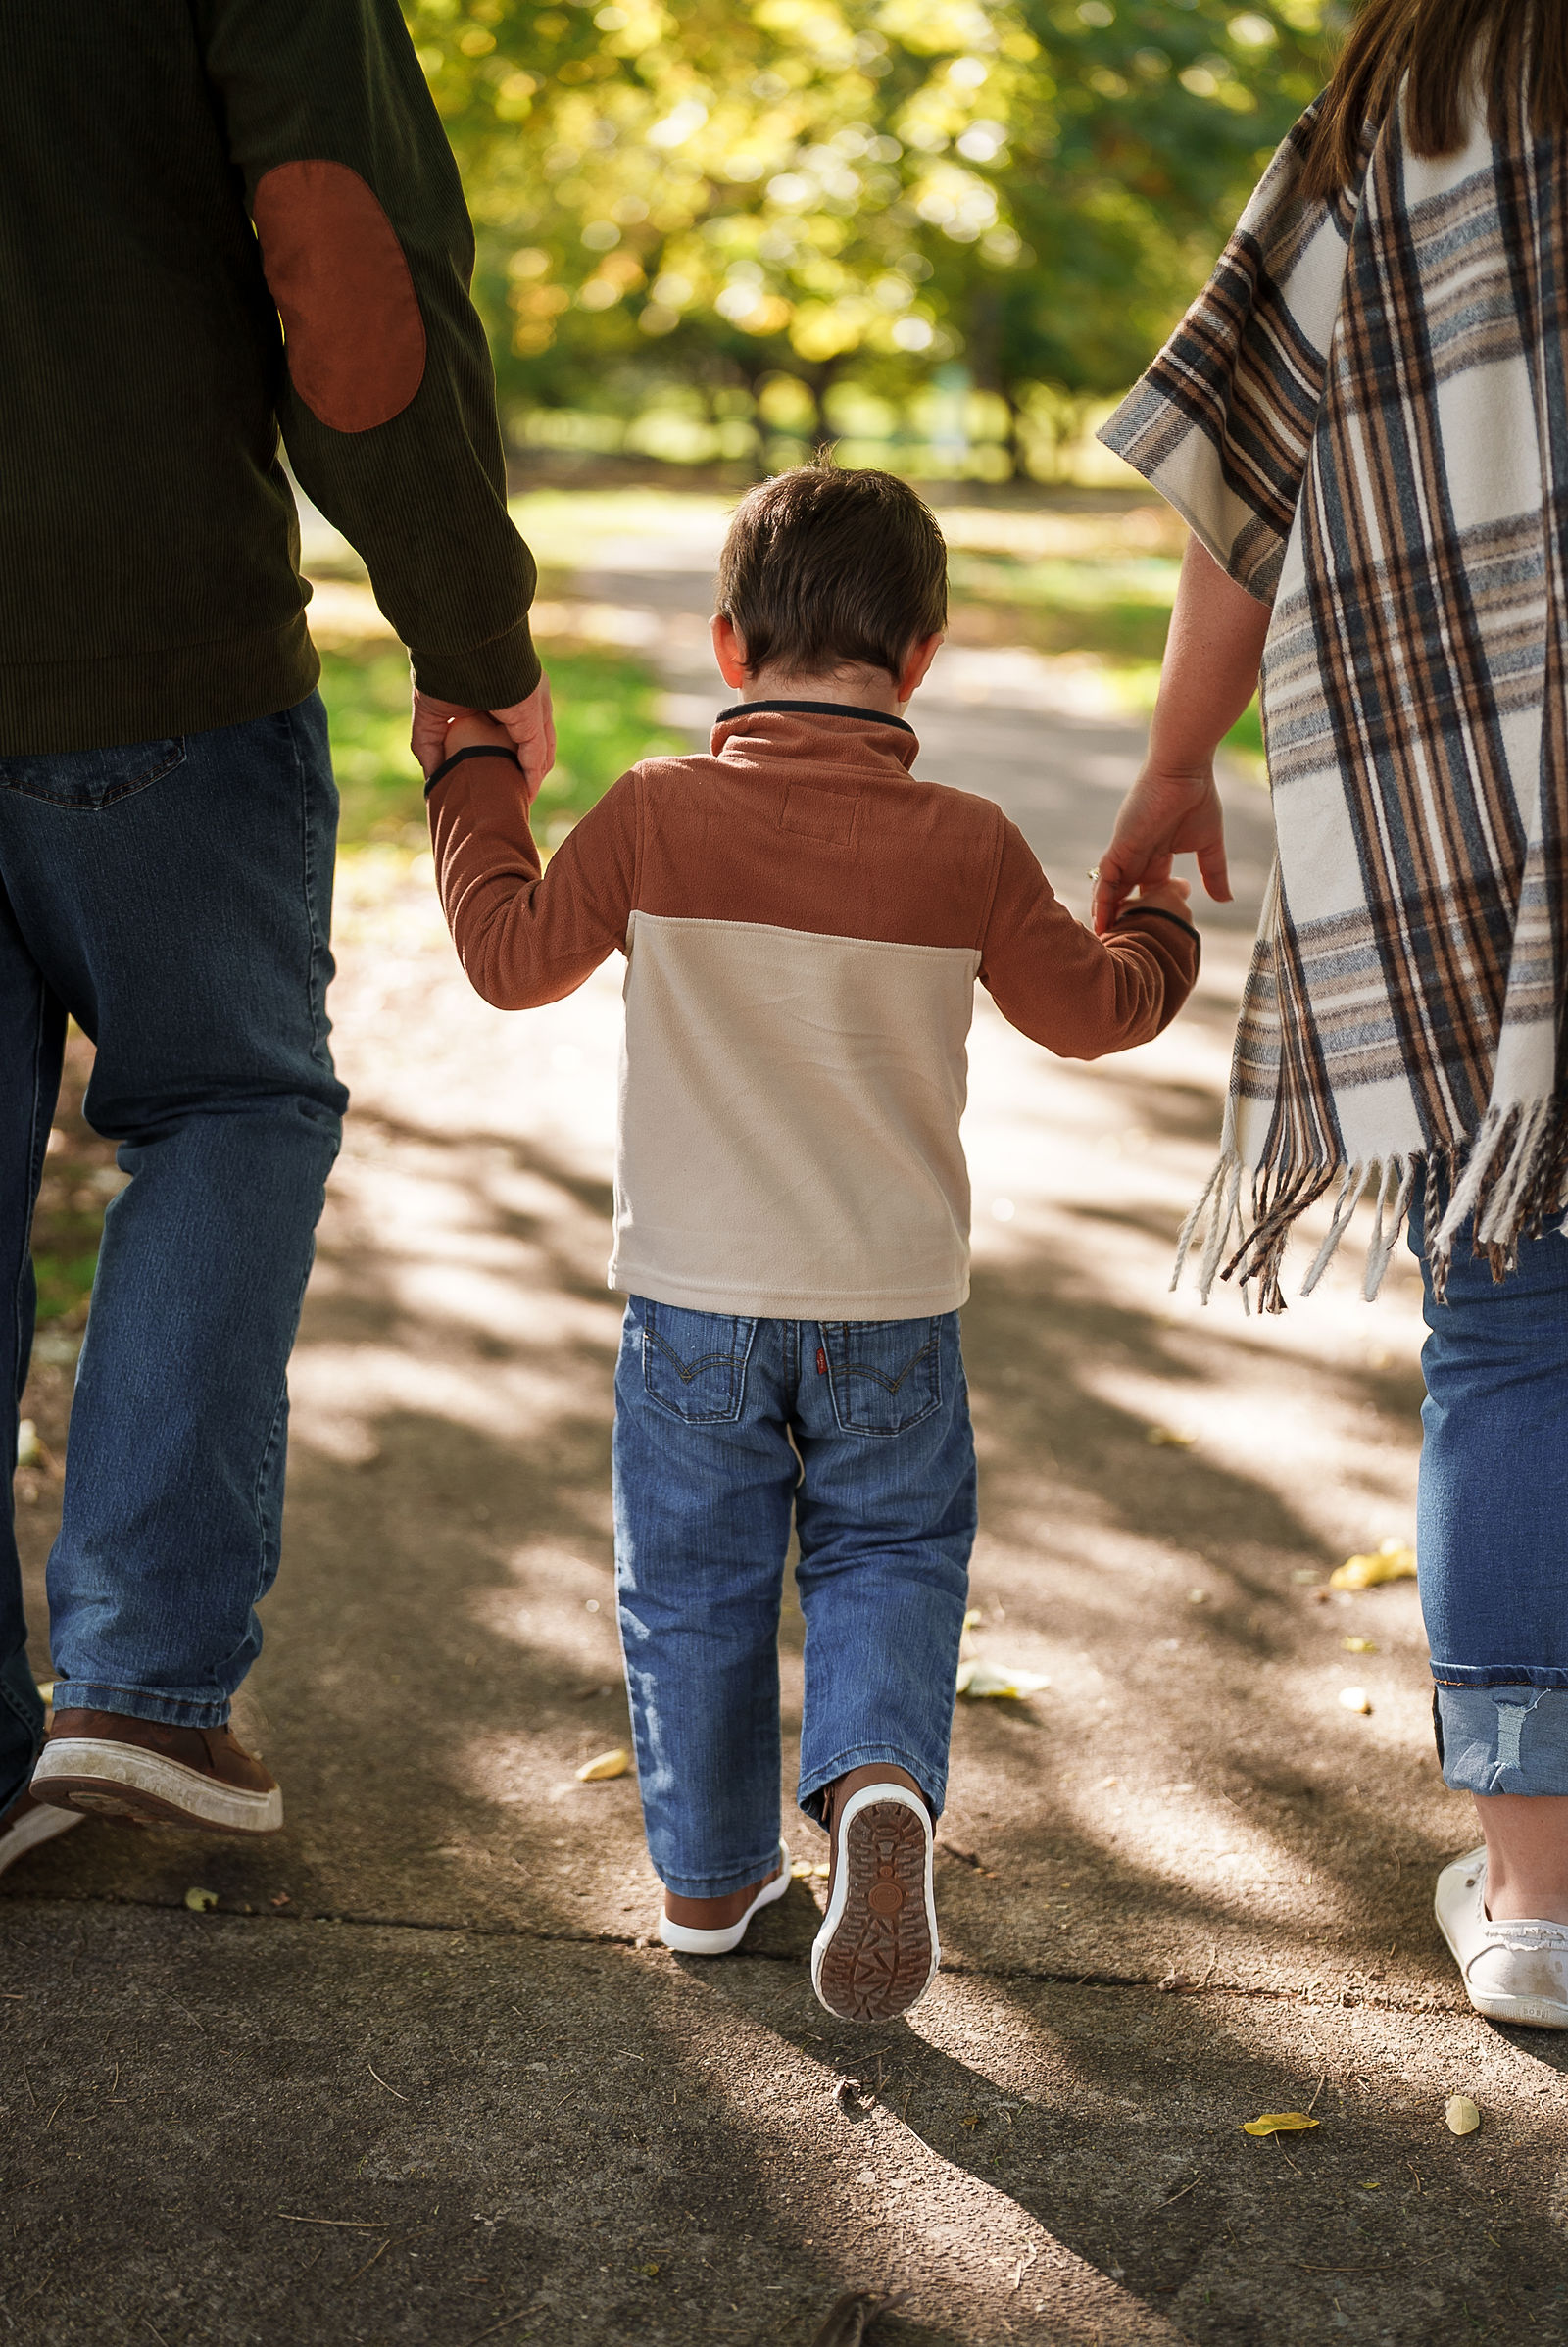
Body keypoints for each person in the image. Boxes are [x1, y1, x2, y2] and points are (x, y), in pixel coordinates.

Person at [421, 461, 1200, 2020]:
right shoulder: (968, 843)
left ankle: (712, 1886)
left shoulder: (652, 813)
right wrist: (1158, 918)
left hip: (695, 1308)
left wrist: (478, 780)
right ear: (921, 659)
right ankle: (877, 1790)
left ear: (728, 646)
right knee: (891, 1555)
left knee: (694, 1585)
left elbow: (509, 962)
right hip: (892, 1305)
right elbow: (1098, 1011)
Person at [2, 0, 550, 1870]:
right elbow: (340, 251)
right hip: (145, 644)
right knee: (227, 1103)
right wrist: (474, 644)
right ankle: (140, 1703)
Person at [1092, 0, 1568, 2026]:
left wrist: (1172, 757)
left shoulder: (1391, 118)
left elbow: (1247, 485)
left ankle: (1537, 1894)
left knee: (1509, 1311)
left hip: (1455, 799)